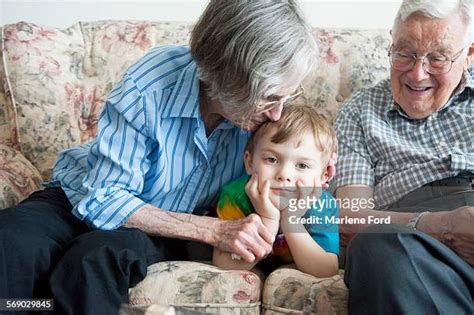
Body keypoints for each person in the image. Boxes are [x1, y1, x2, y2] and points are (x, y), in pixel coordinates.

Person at [0, 1, 331, 314]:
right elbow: (103, 197)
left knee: (96, 258)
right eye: (269, 97)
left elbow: (304, 153)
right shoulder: (152, 85)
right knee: (12, 238)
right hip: (78, 194)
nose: (277, 114)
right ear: (230, 77)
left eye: (287, 96)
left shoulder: (261, 119)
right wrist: (213, 231)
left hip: (156, 229)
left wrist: (319, 177)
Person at [333, 0, 473, 314]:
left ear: (469, 55)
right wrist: (441, 226)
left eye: (437, 58)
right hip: (419, 252)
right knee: (374, 249)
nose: (418, 73)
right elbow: (347, 219)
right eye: (405, 54)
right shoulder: (360, 112)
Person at [213, 104, 339, 278]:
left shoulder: (323, 206)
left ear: (323, 176)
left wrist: (291, 221)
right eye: (271, 159)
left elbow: (326, 270)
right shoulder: (235, 197)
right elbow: (225, 263)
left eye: (302, 165)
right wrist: (268, 220)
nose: (284, 175)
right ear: (249, 163)